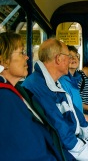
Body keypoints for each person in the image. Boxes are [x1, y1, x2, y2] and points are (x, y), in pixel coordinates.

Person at [22, 38, 88, 161]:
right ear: (58, 58)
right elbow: (60, 130)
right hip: (55, 148)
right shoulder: (39, 87)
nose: (70, 60)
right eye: (68, 56)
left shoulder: (54, 83)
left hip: (66, 142)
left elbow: (75, 114)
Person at [0, 32, 64, 161]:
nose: (27, 57)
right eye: (21, 52)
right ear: (4, 61)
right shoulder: (4, 98)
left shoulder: (17, 90)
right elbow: (23, 151)